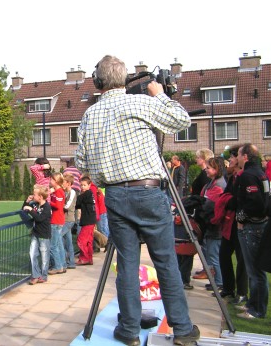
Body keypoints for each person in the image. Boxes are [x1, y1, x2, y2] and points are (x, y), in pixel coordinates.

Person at [76, 55, 199, 345]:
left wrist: (104, 172)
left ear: (98, 82)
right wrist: (160, 96)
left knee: (127, 265)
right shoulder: (140, 102)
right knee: (166, 263)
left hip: (116, 195)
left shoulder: (88, 115)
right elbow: (182, 120)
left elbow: (82, 163)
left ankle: (129, 330)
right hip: (149, 191)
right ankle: (182, 330)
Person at [234, 144, 269, 319]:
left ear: (246, 156)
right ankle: (252, 304)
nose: (237, 158)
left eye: (239, 155)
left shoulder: (248, 175)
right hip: (257, 225)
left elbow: (255, 203)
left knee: (256, 271)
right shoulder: (260, 172)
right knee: (253, 270)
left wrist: (240, 218)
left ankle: (257, 310)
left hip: (252, 227)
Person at [213, 145, 248, 303]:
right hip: (229, 222)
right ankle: (228, 288)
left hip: (239, 223)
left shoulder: (243, 176)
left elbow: (235, 199)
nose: (230, 161)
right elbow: (228, 195)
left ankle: (242, 293)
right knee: (224, 255)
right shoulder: (233, 177)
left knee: (241, 260)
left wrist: (227, 201)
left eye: (233, 157)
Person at [200, 157, 226, 290]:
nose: (206, 169)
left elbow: (210, 204)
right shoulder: (212, 183)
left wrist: (200, 205)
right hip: (210, 225)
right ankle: (216, 281)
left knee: (214, 255)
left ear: (216, 169)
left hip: (216, 227)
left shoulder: (219, 185)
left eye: (209, 167)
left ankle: (219, 282)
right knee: (211, 254)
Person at [189, 148, 214, 281]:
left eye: (198, 157)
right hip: (199, 208)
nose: (196, 159)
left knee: (204, 241)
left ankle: (208, 269)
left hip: (203, 210)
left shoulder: (205, 175)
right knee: (202, 240)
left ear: (203, 159)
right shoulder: (203, 173)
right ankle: (207, 267)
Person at [22, 184, 52, 285]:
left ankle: (43, 276)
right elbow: (23, 210)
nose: (33, 196)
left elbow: (39, 219)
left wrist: (31, 211)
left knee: (44, 257)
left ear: (41, 197)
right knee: (32, 254)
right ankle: (35, 275)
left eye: (35, 194)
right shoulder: (34, 204)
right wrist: (27, 201)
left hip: (44, 235)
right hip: (35, 234)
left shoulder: (47, 207)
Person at [75, 175, 97, 266]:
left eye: (84, 185)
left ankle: (84, 258)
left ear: (89, 185)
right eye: (81, 185)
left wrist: (79, 195)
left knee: (81, 240)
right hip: (90, 220)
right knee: (88, 241)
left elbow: (77, 203)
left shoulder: (86, 194)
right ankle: (89, 258)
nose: (82, 187)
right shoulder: (90, 194)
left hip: (88, 221)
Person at [48, 172, 67, 275]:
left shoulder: (59, 192)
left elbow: (58, 206)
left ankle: (58, 266)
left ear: (55, 181)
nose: (50, 181)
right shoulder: (57, 191)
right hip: (57, 220)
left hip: (56, 221)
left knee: (53, 246)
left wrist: (49, 201)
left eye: (51, 180)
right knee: (58, 245)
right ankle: (62, 265)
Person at [62, 173, 77, 269]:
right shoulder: (65, 192)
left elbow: (68, 206)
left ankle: (64, 260)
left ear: (68, 183)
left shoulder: (72, 192)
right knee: (68, 241)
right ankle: (71, 262)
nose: (62, 184)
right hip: (65, 220)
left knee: (57, 238)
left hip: (69, 220)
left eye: (63, 182)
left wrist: (59, 206)